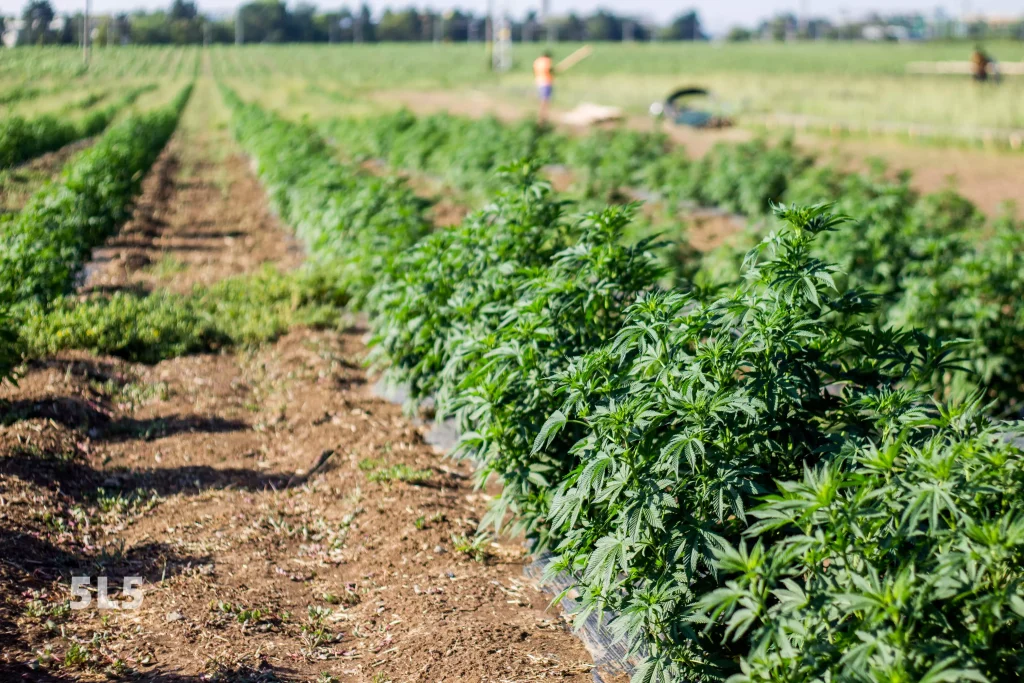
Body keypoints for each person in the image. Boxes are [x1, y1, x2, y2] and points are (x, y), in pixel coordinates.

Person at [533, 50, 554, 122]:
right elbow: (549, 70)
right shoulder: (546, 61)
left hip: (539, 81)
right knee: (545, 100)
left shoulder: (537, 61)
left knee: (542, 99)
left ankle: (542, 116)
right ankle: (543, 116)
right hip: (546, 82)